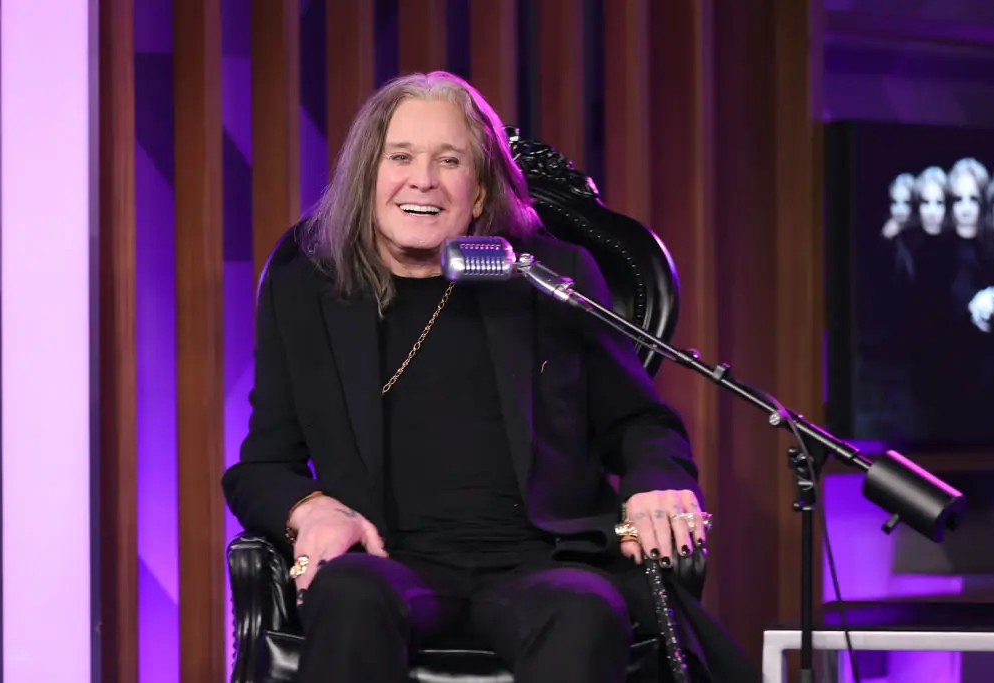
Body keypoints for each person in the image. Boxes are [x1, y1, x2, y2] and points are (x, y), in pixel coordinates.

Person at [222, 71, 753, 683]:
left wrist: (656, 484)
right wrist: (310, 509)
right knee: (348, 596)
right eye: (400, 157)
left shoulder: (546, 276)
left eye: (449, 160)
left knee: (583, 609)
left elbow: (638, 422)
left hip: (542, 561)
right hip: (386, 559)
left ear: (478, 193)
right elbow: (263, 465)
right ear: (367, 177)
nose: (423, 179)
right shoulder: (307, 287)